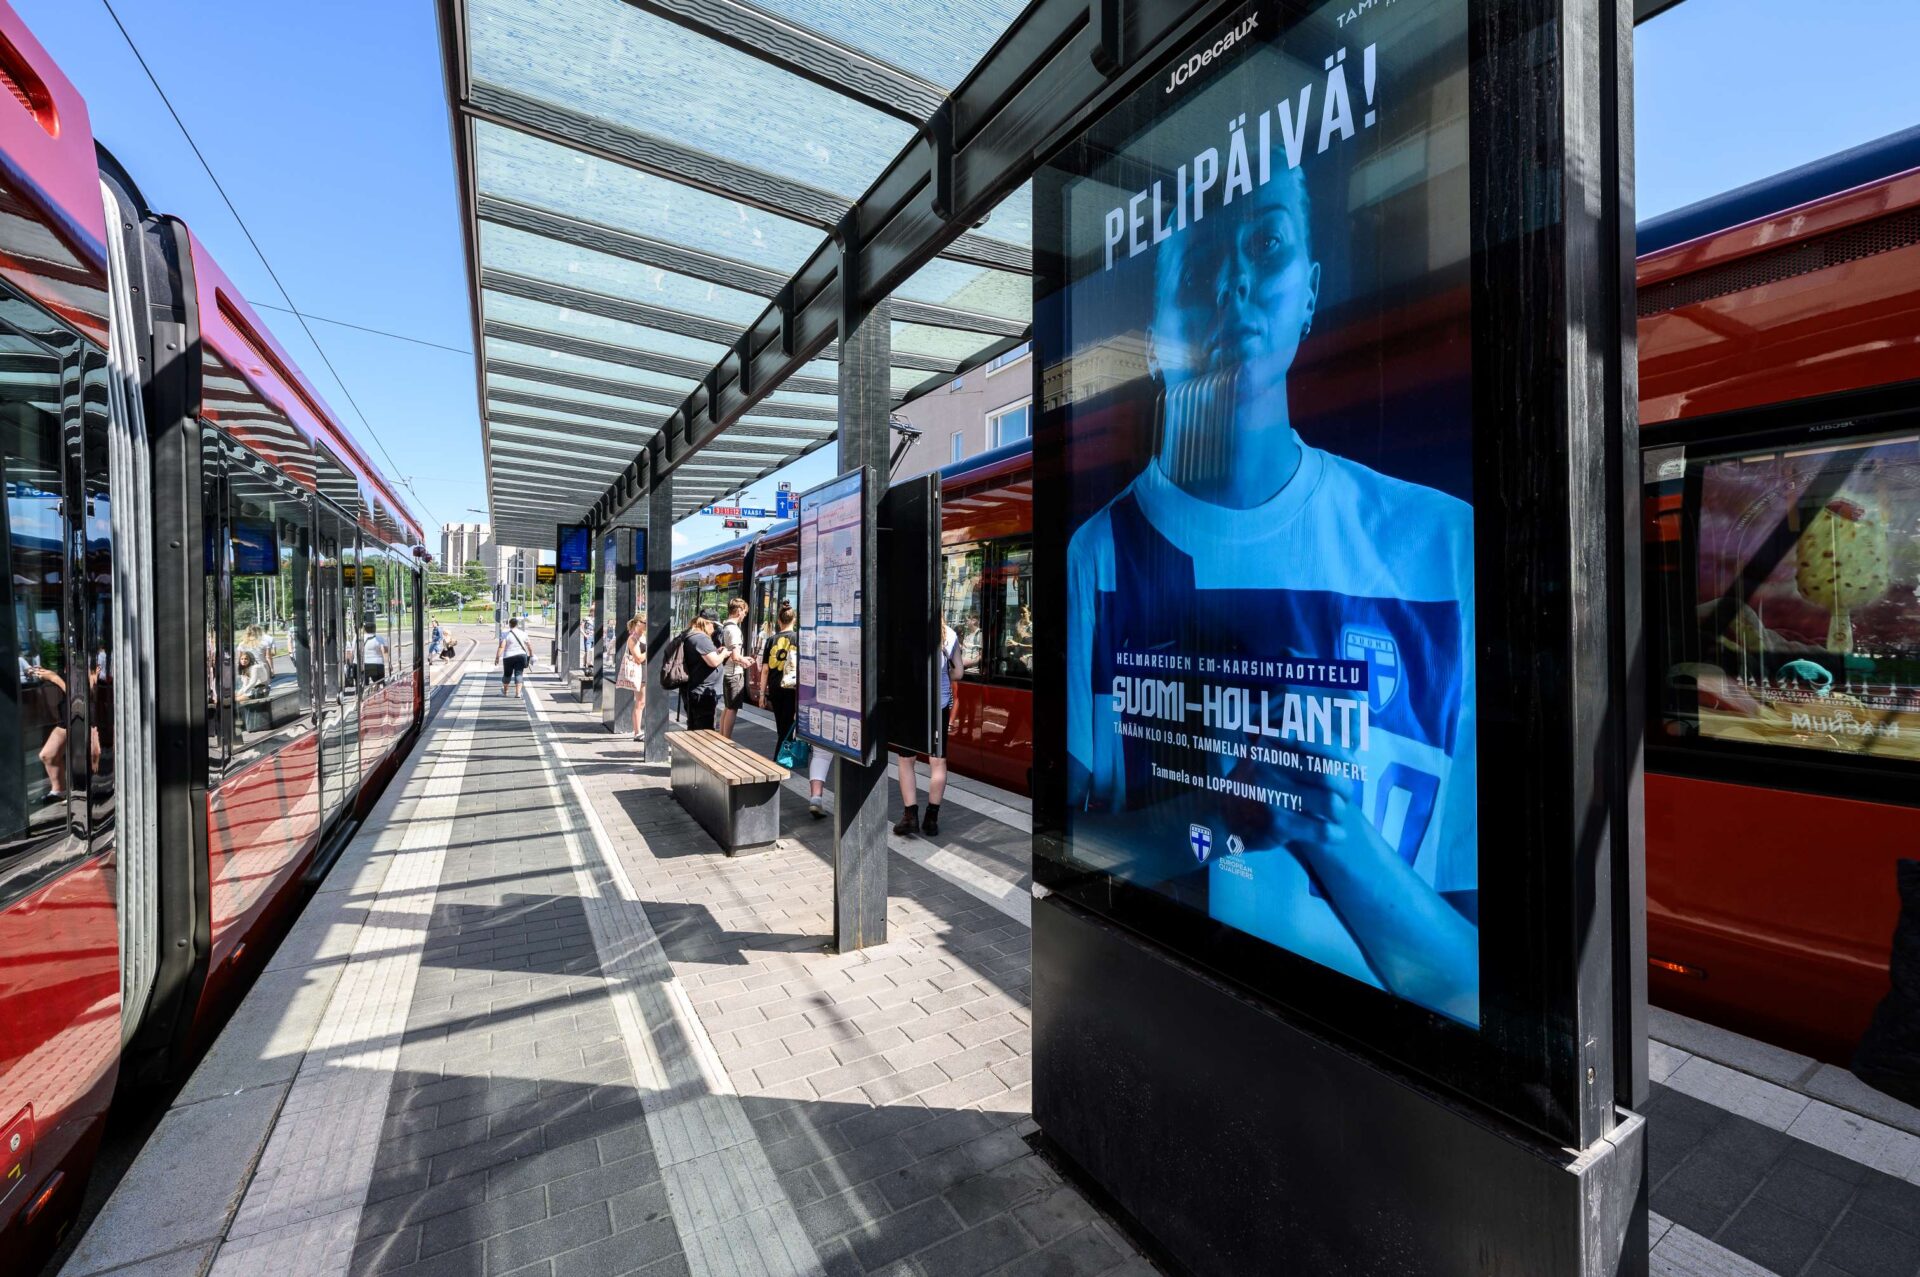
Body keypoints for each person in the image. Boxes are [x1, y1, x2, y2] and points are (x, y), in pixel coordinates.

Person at [1064, 157, 1479, 1025]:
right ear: (1152, 337)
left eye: (1266, 242)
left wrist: (1328, 828)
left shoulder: (1442, 547)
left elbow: (1479, 986)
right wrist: (1217, 812)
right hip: (1168, 1016)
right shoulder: (1097, 556)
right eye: (1202, 259)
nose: (1238, 281)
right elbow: (1068, 847)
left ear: (1311, 290)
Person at [893, 621, 965, 837]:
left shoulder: (906, 629)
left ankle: (910, 817)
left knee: (906, 760)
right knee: (938, 762)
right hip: (938, 706)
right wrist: (942, 676)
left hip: (910, 704)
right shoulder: (949, 634)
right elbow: (959, 673)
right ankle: (931, 820)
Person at [759, 603, 799, 748]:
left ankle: (783, 755)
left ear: (778, 621)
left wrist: (762, 694)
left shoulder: (771, 640)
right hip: (793, 688)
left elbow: (765, 670)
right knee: (788, 726)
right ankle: (782, 757)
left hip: (775, 687)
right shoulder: (798, 638)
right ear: (794, 620)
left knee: (781, 726)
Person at [682, 613, 726, 730]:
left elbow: (702, 658)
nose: (714, 630)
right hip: (703, 692)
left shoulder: (692, 635)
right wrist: (724, 654)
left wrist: (716, 651)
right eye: (714, 626)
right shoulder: (701, 638)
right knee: (704, 730)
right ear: (708, 623)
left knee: (695, 727)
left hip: (697, 689)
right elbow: (714, 662)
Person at [718, 597, 752, 740]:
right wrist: (746, 661)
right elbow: (736, 656)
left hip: (726, 672)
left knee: (727, 706)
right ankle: (726, 739)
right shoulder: (734, 630)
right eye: (744, 612)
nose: (744, 615)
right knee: (732, 708)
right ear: (739, 611)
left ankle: (721, 737)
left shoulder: (724, 626)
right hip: (734, 673)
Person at [616, 614, 647, 739]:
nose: (647, 625)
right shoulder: (632, 639)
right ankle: (637, 731)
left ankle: (640, 730)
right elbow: (638, 658)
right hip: (640, 671)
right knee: (640, 702)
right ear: (639, 623)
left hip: (647, 670)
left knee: (643, 702)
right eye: (645, 622)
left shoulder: (645, 636)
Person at [497, 616, 532, 697]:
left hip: (508, 657)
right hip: (521, 656)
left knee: (507, 674)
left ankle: (505, 692)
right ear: (517, 624)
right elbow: (529, 645)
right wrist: (531, 655)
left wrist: (497, 657)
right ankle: (518, 693)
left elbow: (502, 646)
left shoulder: (505, 634)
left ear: (509, 624)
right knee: (519, 673)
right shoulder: (523, 633)